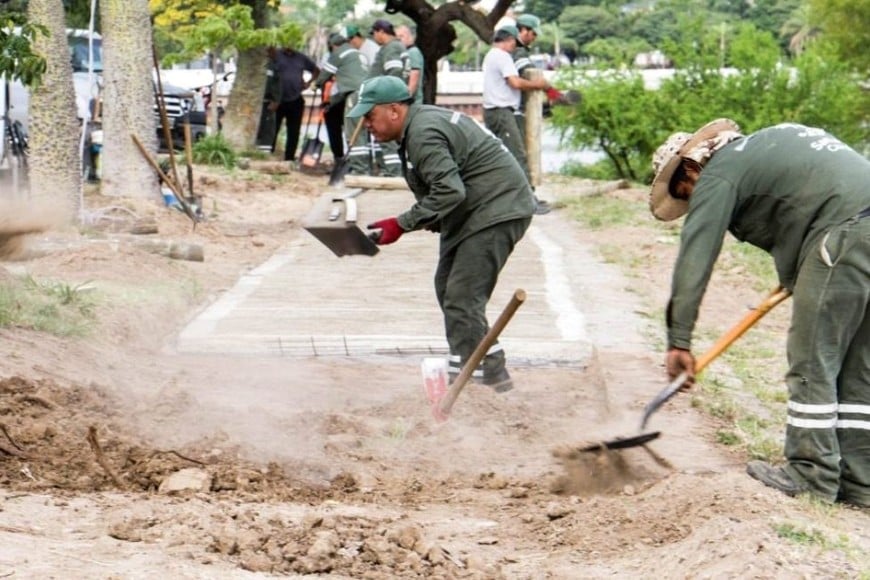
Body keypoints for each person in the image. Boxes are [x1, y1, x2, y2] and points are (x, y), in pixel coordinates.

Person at [650, 119, 870, 508]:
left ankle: (810, 474)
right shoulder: (763, 148)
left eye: (686, 194)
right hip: (855, 225)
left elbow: (695, 256)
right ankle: (860, 481)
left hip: (846, 232)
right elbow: (800, 211)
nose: (691, 203)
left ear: (690, 168)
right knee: (857, 367)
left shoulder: (719, 172)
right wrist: (797, 275)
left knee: (811, 358)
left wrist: (678, 339)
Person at [348, 76, 535, 391]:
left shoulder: (422, 133)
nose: (367, 123)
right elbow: (448, 188)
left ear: (394, 110)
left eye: (370, 116)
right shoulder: (419, 126)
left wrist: (402, 223)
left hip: (495, 209)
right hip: (477, 209)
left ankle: (479, 380)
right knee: (449, 288)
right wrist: (421, 219)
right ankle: (483, 367)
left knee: (462, 296)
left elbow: (449, 192)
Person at [482, 25, 551, 215]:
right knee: (517, 154)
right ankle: (528, 200)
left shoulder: (491, 55)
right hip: (501, 111)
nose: (515, 47)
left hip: (497, 111)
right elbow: (515, 82)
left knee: (508, 155)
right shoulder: (502, 56)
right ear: (510, 40)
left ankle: (513, 198)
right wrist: (539, 84)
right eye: (514, 43)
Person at [512, 14, 552, 214]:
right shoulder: (518, 53)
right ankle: (527, 199)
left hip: (520, 109)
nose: (534, 38)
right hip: (515, 110)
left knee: (522, 155)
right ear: (524, 30)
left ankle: (529, 195)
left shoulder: (519, 52)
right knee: (520, 156)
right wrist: (547, 89)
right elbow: (528, 75)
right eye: (533, 33)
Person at [315, 31, 369, 168]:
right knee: (360, 130)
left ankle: (358, 168)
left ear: (334, 46)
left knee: (352, 131)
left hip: (353, 95)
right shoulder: (358, 53)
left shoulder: (338, 54)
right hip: (365, 93)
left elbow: (324, 75)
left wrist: (315, 84)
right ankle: (361, 164)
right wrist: (331, 102)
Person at [366, 19, 409, 177]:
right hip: (389, 98)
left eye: (375, 34)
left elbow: (395, 71)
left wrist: (383, 94)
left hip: (385, 99)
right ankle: (389, 169)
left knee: (386, 133)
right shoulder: (396, 46)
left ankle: (394, 172)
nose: (374, 38)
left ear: (381, 32)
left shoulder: (391, 48)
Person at [268, 45, 320, 164]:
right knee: (272, 129)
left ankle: (289, 158)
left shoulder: (301, 57)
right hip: (278, 100)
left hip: (295, 99)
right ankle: (268, 154)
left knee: (294, 131)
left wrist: (308, 83)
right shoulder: (276, 54)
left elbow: (316, 70)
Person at [395, 25, 424, 104]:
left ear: (410, 37)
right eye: (397, 37)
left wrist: (406, 99)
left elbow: (415, 75)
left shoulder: (413, 52)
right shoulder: (405, 53)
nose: (399, 39)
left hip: (412, 102)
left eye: (402, 36)